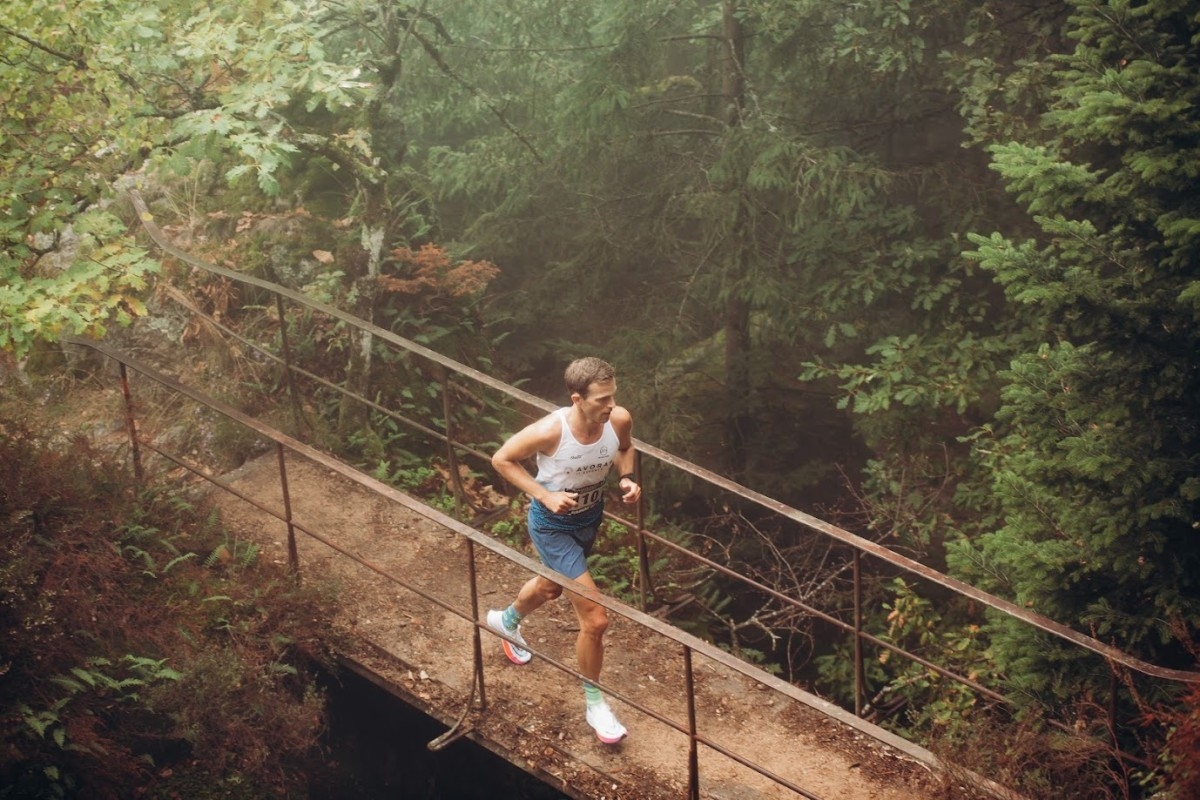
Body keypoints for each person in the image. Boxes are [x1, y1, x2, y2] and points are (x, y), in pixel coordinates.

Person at [486, 357, 641, 744]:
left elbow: (625, 448)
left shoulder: (618, 419)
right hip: (552, 525)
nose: (610, 406)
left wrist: (627, 478)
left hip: (588, 520)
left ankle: (506, 621)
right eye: (602, 400)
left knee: (553, 586)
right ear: (577, 398)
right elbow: (501, 459)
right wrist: (545, 494)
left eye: (612, 396)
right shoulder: (549, 431)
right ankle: (595, 704)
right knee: (596, 618)